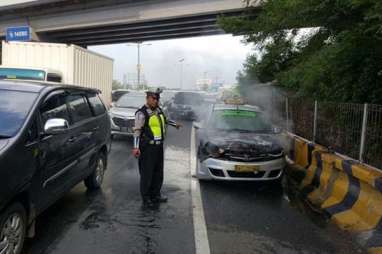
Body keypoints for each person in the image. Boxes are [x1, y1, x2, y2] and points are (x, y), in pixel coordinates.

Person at [132, 88, 181, 208]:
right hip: (148, 148)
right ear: (147, 98)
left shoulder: (159, 110)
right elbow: (137, 131)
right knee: (147, 174)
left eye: (157, 99)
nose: (156, 101)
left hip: (158, 147)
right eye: (154, 98)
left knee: (158, 173)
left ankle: (156, 195)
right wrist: (135, 147)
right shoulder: (141, 113)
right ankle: (146, 197)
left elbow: (165, 120)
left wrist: (175, 124)